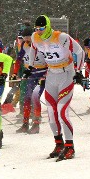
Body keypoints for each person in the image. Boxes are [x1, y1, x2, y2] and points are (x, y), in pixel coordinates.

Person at [30, 15, 85, 160]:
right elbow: (33, 50)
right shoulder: (35, 37)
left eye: (41, 28)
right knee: (51, 113)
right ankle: (58, 143)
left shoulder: (61, 37)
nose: (39, 31)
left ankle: (69, 147)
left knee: (62, 111)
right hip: (51, 75)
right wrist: (31, 66)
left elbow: (79, 51)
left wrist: (79, 71)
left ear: (47, 26)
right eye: (37, 28)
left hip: (66, 74)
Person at [15, 26, 47, 133]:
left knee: (35, 97)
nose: (26, 39)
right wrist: (15, 73)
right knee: (27, 98)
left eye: (28, 37)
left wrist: (47, 72)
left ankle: (36, 124)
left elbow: (50, 58)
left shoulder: (40, 44)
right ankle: (25, 124)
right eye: (24, 37)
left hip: (42, 73)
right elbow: (18, 59)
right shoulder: (24, 45)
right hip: (32, 74)